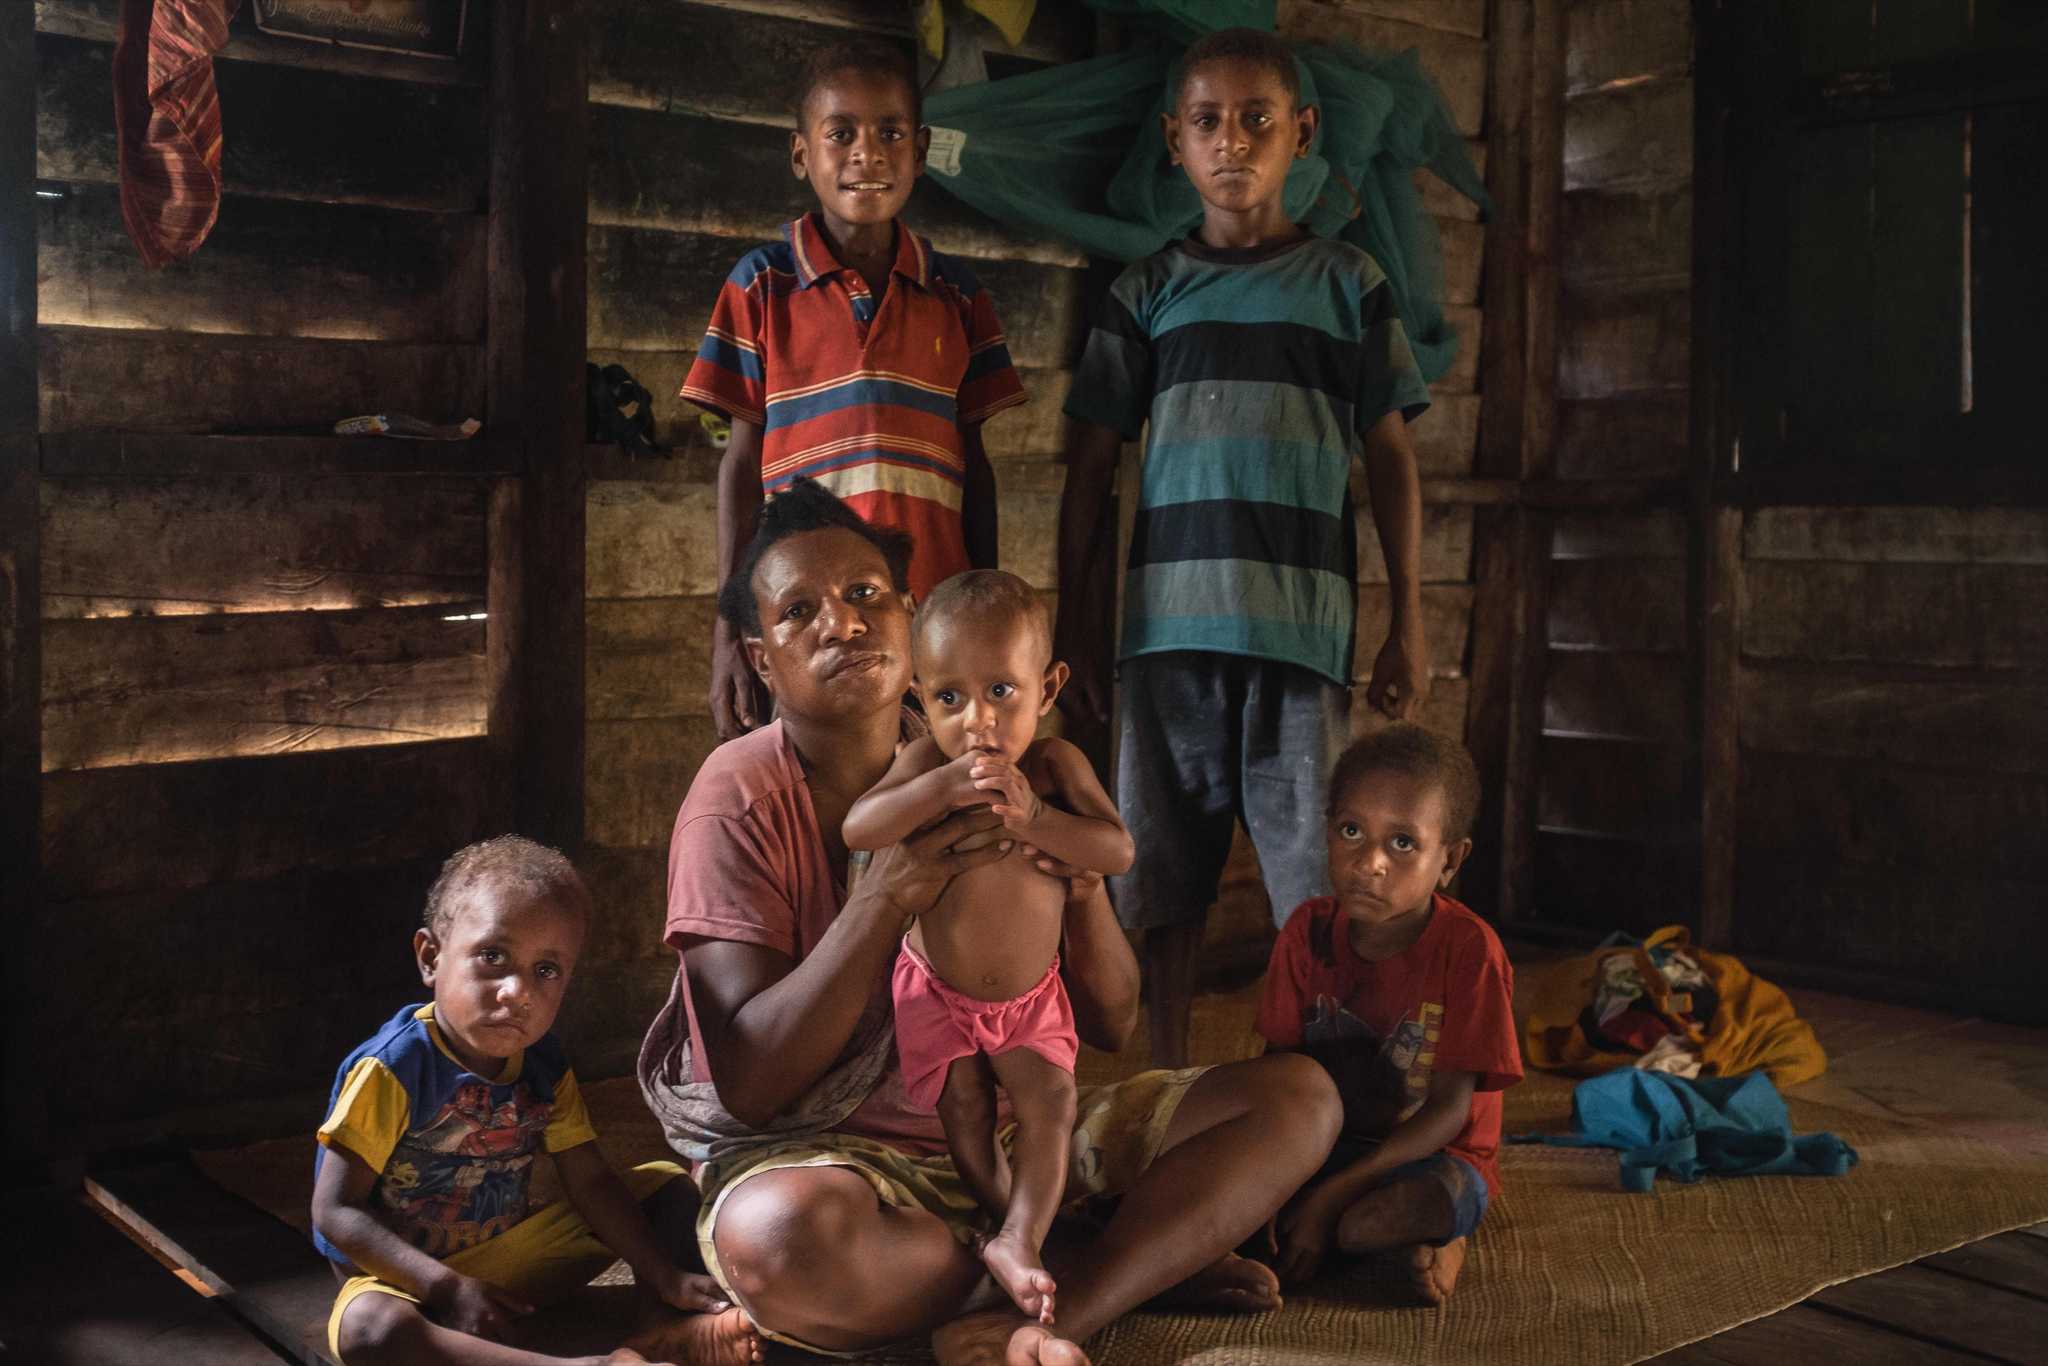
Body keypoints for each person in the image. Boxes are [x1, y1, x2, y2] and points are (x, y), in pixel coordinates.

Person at [638, 479, 1342, 1366]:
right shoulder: (736, 797)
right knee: (780, 1240)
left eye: (866, 596)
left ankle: (1049, 1300)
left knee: (1298, 1100)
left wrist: (1079, 888)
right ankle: (1113, 1267)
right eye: (797, 611)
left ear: (908, 616)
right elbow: (750, 1083)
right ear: (759, 658)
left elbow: (1114, 1025)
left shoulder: (1013, 762)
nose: (842, 624)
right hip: (841, 1169)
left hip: (1018, 1142)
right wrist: (885, 896)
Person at [1053, 26, 1437, 1069]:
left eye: (1257, 121)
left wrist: (1407, 618)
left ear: (1300, 135)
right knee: (1155, 889)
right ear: (1172, 140)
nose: (1233, 144)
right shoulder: (1142, 293)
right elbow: (1088, 473)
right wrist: (1074, 633)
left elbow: (1390, 459)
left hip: (1299, 643)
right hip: (1163, 641)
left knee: (1314, 897)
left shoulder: (1345, 284)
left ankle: (1309, 1089)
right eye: (1208, 123)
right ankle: (1163, 1078)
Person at [685, 38, 1029, 742]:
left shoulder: (957, 295)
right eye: (841, 133)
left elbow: (975, 466)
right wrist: (731, 630)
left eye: (891, 133)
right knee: (822, 805)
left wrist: (985, 608)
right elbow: (742, 465)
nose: (867, 153)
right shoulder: (762, 286)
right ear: (801, 154)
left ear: (922, 148)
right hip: (810, 626)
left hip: (934, 619)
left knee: (933, 801)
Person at [310, 837, 760, 1366]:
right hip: (409, 1279)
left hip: (512, 1261)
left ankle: (658, 1331)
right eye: (492, 957)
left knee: (665, 1187)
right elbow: (333, 1211)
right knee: (370, 1331)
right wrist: (447, 1289)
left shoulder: (543, 1063)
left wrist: (663, 1273)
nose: (516, 991)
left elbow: (588, 1180)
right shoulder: (395, 1068)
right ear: (431, 957)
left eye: (545, 970)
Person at [843, 570, 1134, 1326]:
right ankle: (1013, 1227)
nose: (977, 722)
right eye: (949, 699)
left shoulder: (1055, 768)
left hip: (1033, 996)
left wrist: (1035, 818)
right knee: (965, 1112)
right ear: (919, 696)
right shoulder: (924, 767)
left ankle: (1021, 1236)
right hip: (935, 991)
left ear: (1049, 685)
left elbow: (1115, 851)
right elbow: (860, 830)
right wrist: (937, 791)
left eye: (1002, 692)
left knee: (1052, 1102)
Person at [1254, 726, 1521, 1305]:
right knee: (1220, 1194)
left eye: (1402, 844)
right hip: (1325, 1144)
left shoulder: (1470, 950)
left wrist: (1327, 1199)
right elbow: (1276, 1074)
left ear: (1449, 860)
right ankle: (1385, 1249)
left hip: (1430, 1156)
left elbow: (1451, 1112)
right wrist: (1266, 1176)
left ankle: (1438, 1236)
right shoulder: (1307, 932)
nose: (1368, 862)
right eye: (1351, 831)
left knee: (1371, 1219)